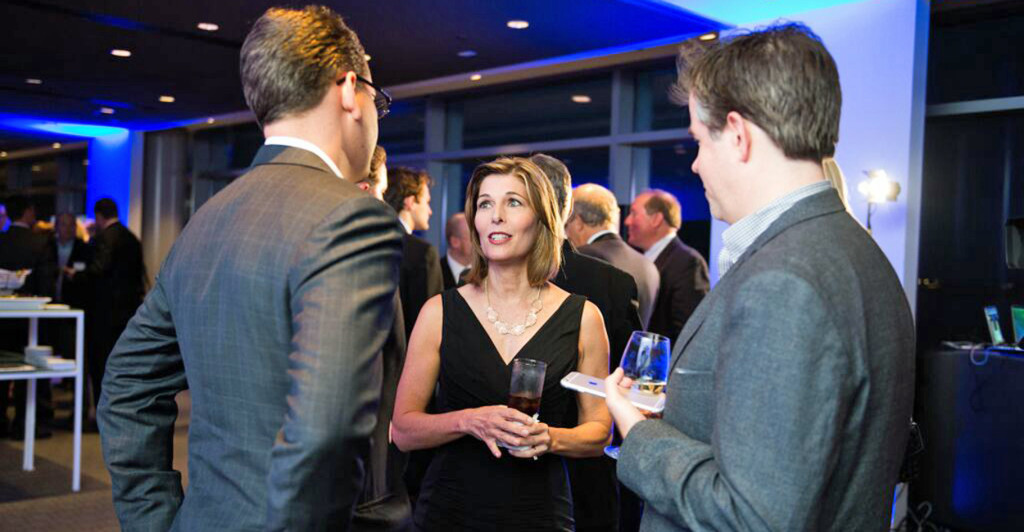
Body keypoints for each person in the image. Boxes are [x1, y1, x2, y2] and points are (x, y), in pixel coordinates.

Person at [97, 6, 403, 530]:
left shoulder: (206, 220)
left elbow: (125, 387)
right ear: (350, 89)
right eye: (380, 100)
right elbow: (324, 432)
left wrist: (156, 522)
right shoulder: (353, 217)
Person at [604, 24, 915, 531]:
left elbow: (752, 515)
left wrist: (638, 434)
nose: (698, 165)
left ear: (739, 135)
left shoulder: (785, 280)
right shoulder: (856, 251)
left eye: (700, 142)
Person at [392, 157, 612, 531]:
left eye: (513, 202)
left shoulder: (584, 318)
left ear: (541, 218)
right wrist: (470, 420)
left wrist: (550, 437)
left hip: (541, 513)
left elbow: (599, 431)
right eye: (485, 204)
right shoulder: (440, 312)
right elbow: (403, 430)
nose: (496, 216)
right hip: (449, 512)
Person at [530, 153, 644, 532]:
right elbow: (633, 384)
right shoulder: (611, 283)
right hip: (587, 476)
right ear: (566, 208)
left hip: (501, 468)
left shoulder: (475, 284)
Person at [66, 198, 145, 409]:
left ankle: (103, 409)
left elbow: (98, 271)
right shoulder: (131, 238)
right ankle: (123, 407)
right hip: (127, 311)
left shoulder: (104, 239)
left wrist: (76, 275)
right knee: (123, 363)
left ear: (99, 216)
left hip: (103, 313)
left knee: (100, 364)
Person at [568, 183, 661, 329]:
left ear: (578, 222)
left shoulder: (579, 259)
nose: (566, 232)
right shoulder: (648, 265)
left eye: (567, 224)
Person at [0, 195, 54, 439]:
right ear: (28, 211)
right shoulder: (40, 242)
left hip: (3, 318)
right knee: (29, 370)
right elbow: (46, 284)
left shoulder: (2, 240)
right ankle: (25, 423)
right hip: (30, 317)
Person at [624, 190, 709, 342]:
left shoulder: (688, 262)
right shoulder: (643, 258)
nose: (627, 221)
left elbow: (688, 331)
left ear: (656, 219)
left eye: (634, 214)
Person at [385, 166, 444, 339]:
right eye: (426, 202)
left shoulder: (369, 241)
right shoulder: (422, 253)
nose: (430, 210)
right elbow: (430, 324)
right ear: (410, 202)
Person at [441, 212, 471, 289]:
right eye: (473, 237)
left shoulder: (489, 273)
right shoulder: (434, 272)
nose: (480, 241)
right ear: (455, 242)